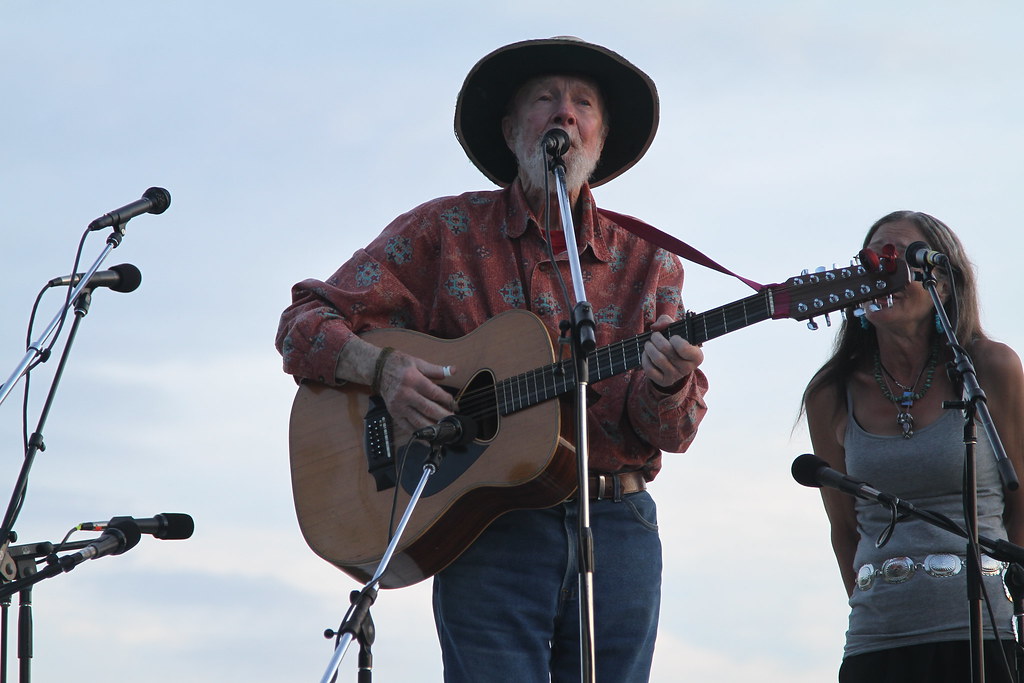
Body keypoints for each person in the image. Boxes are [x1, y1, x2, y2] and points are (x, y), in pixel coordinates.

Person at [276, 37, 708, 681]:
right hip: (488, 533)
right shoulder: (442, 233)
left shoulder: (650, 261)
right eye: (544, 99)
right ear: (511, 130)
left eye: (583, 103)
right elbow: (302, 324)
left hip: (617, 526)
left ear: (599, 135)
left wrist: (668, 385)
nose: (564, 113)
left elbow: (672, 432)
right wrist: (383, 372)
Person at [802, 210, 1024, 682]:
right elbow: (845, 530)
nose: (880, 270)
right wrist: (886, 607)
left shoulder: (992, 368)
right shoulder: (829, 393)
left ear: (942, 283)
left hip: (989, 637)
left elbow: (1021, 503)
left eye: (898, 259)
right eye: (870, 260)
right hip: (877, 643)